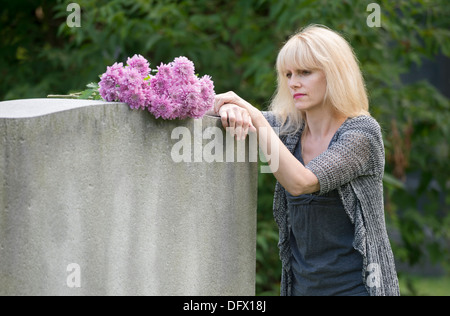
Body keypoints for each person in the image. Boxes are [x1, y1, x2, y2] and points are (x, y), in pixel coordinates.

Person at [213, 25, 400, 296]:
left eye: (305, 72)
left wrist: (251, 114)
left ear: (335, 74)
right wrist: (227, 107)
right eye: (288, 74)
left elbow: (301, 182)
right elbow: (207, 109)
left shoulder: (361, 133)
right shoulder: (290, 129)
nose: (293, 83)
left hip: (358, 289)